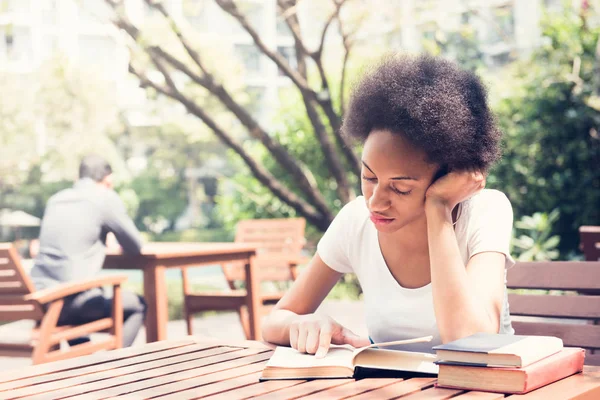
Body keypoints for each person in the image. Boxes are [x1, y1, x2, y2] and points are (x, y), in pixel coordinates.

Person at [261, 55, 515, 357]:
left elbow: (468, 341)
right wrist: (303, 325)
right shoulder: (356, 221)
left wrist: (438, 208)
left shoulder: (485, 211)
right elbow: (276, 320)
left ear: (449, 177)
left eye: (401, 187)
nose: (375, 201)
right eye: (368, 176)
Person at [31, 154, 146, 347]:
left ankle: (86, 367)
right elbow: (135, 246)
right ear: (108, 179)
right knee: (138, 305)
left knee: (79, 300)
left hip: (41, 301)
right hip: (72, 304)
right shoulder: (104, 197)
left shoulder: (56, 200)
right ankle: (113, 366)